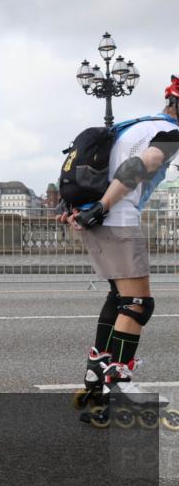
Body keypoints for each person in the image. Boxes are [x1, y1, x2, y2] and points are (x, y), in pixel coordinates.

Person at [61, 75, 179, 421]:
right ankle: (120, 383)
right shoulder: (170, 133)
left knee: (119, 301)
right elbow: (141, 165)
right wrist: (106, 206)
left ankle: (95, 383)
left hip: (96, 216)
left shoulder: (137, 126)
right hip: (115, 217)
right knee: (138, 304)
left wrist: (85, 208)